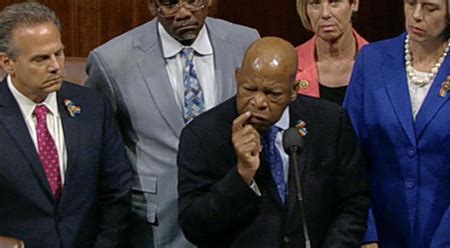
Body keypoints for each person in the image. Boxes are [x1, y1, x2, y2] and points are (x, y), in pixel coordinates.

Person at [85, 0, 260, 246]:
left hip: (235, 210)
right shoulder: (112, 62)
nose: (184, 13)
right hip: (158, 221)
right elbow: (99, 151)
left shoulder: (246, 42)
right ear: (152, 5)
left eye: (193, 1)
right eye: (170, 3)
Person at [177, 37, 370, 247]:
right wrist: (241, 176)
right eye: (249, 89)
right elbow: (194, 227)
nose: (258, 102)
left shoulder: (330, 123)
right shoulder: (202, 135)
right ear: (237, 77)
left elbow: (353, 204)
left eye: (273, 94)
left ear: (294, 91)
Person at [0, 2, 133, 248]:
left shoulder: (93, 106)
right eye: (40, 59)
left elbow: (116, 191)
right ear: (7, 63)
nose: (55, 66)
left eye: (58, 53)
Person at [344, 0, 450, 247]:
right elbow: (350, 155)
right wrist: (366, 233)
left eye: (430, 8)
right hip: (379, 235)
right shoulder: (371, 60)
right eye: (411, 3)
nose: (416, 15)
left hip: (447, 235)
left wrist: (448, 242)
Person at [295, 0, 368, 105]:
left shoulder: (379, 63)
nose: (325, 14)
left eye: (335, 2)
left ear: (354, 4)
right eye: (315, 3)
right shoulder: (289, 65)